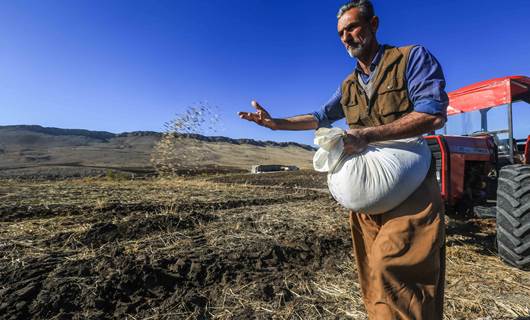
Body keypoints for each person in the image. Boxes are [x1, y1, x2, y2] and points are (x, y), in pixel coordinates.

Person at [238, 0, 447, 319]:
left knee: (398, 268)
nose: (347, 37)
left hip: (412, 187)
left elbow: (432, 116)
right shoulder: (348, 85)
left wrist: (368, 134)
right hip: (367, 199)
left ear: (374, 24)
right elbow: (319, 117)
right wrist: (276, 123)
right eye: (340, 33)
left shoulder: (409, 58)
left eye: (353, 27)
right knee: (372, 275)